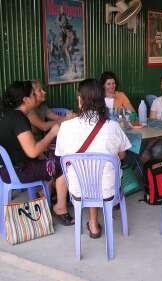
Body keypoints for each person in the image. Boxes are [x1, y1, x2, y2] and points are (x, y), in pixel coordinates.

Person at [55, 79, 131, 239]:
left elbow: (63, 157)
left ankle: (93, 225)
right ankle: (94, 224)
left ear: (81, 100)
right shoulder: (113, 126)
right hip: (107, 189)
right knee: (102, 175)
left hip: (78, 190)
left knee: (87, 176)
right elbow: (122, 155)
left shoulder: (66, 127)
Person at [0, 81, 73, 225]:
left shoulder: (9, 115)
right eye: (33, 94)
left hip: (8, 168)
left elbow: (25, 148)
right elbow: (32, 152)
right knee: (65, 163)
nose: (36, 97)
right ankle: (60, 207)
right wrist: (52, 133)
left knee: (53, 158)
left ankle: (46, 194)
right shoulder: (19, 119)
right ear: (25, 100)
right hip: (18, 171)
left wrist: (41, 153)